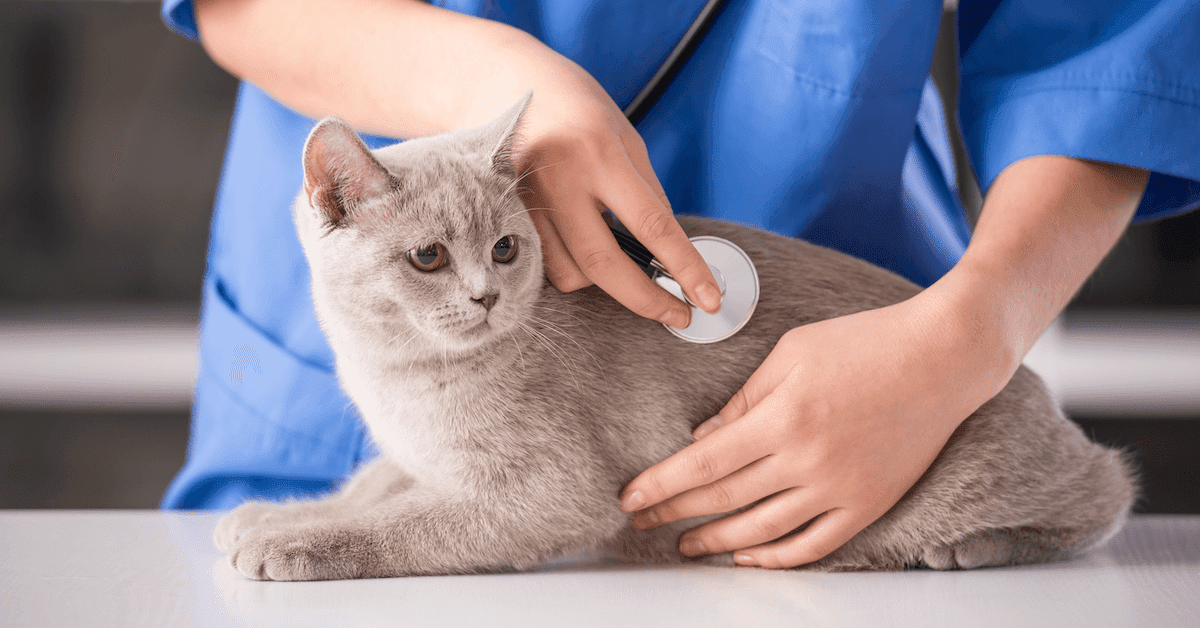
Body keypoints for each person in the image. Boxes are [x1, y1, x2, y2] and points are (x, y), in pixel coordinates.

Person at [161, 0, 1200, 569]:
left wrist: (972, 331)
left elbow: (1107, 47)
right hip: (408, 225)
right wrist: (503, 100)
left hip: (854, 347)